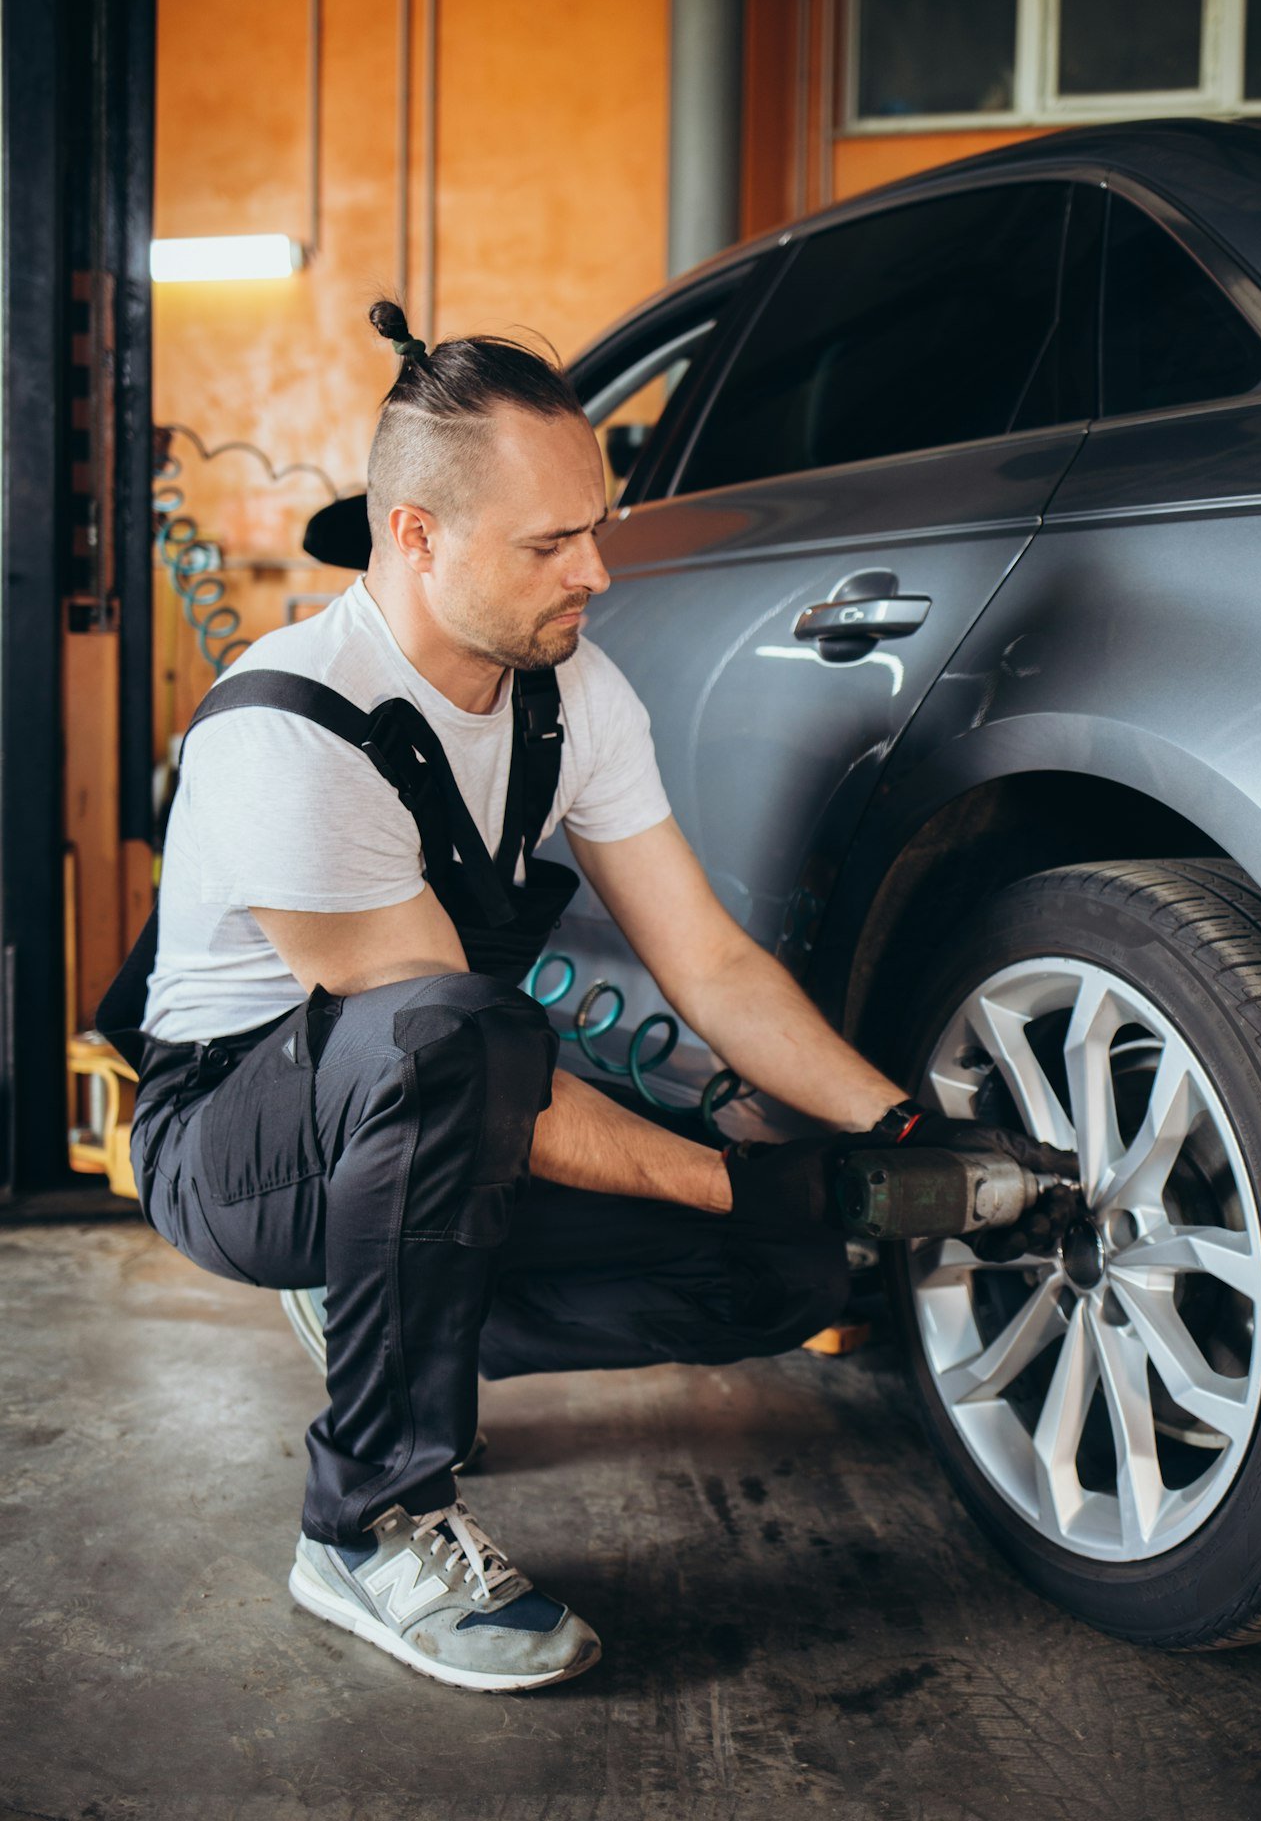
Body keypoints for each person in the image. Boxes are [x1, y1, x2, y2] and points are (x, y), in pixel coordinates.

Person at [126, 304, 1051, 1694]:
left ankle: (373, 1297)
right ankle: (366, 1523)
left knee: (787, 1273)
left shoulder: (571, 695)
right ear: (415, 535)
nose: (598, 572)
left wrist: (903, 1134)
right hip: (238, 1144)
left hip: (435, 1106)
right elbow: (444, 1044)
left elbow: (711, 962)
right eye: (551, 544)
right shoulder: (287, 730)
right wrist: (728, 1179)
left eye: (595, 527)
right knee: (466, 1036)